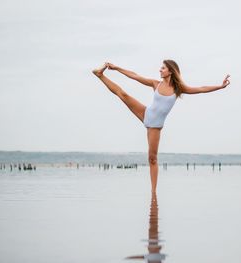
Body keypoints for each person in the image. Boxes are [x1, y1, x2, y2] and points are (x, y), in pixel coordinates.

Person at [92, 59, 230, 193]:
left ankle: (153, 192)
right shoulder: (155, 84)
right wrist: (117, 68)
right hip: (145, 113)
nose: (160, 69)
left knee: (152, 158)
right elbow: (135, 76)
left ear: (170, 71)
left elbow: (201, 89)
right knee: (122, 94)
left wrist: (220, 86)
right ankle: (100, 75)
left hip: (155, 126)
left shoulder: (179, 89)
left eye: (163, 68)